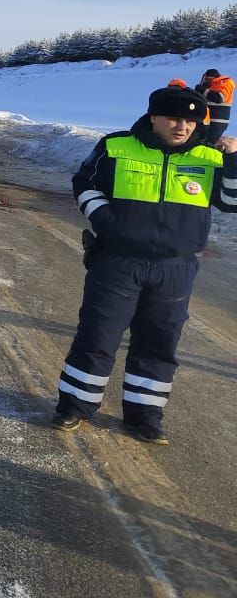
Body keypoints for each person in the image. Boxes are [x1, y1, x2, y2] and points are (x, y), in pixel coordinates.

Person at [54, 85, 237, 444]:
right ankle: (75, 406)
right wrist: (106, 220)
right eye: (173, 118)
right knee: (98, 335)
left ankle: (144, 416)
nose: (181, 126)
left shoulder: (209, 156)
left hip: (175, 268)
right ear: (154, 117)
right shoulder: (116, 146)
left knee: (159, 341)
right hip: (118, 261)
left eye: (189, 120)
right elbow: (84, 184)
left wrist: (233, 160)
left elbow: (232, 202)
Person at [194, 68, 233, 144]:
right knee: (201, 142)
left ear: (214, 78)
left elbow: (219, 98)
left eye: (208, 79)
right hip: (206, 120)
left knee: (210, 144)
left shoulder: (225, 83)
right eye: (205, 79)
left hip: (218, 121)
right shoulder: (209, 86)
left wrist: (203, 90)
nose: (206, 81)